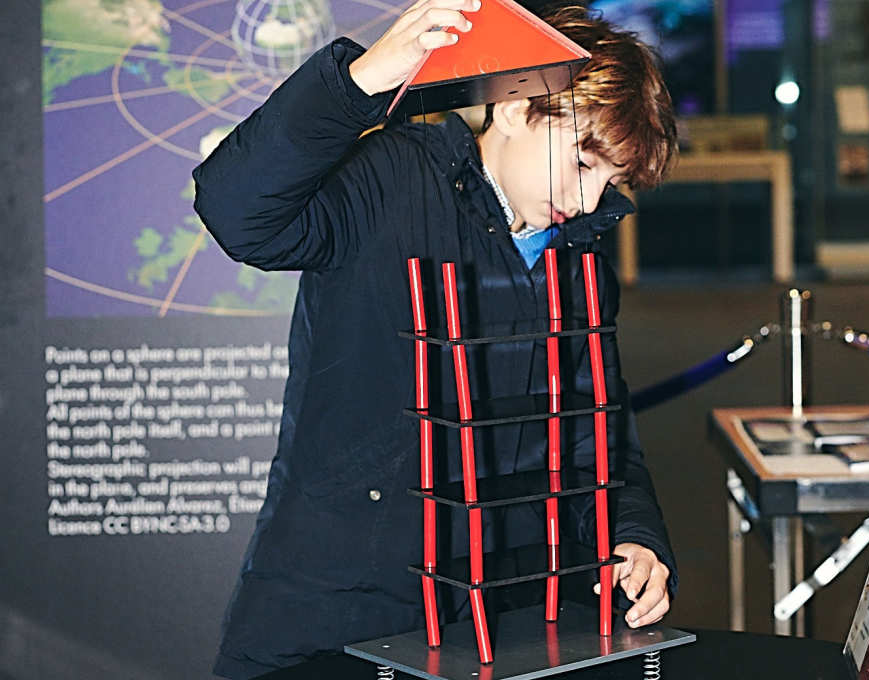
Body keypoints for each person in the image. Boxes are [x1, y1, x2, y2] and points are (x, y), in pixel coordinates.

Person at [193, 2, 679, 677]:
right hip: (342, 610)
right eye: (581, 162)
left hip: (508, 623)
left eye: (610, 181)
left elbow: (599, 437)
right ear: (515, 109)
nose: (592, 200)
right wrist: (359, 82)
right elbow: (236, 210)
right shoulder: (392, 176)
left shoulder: (580, 256)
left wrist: (635, 538)